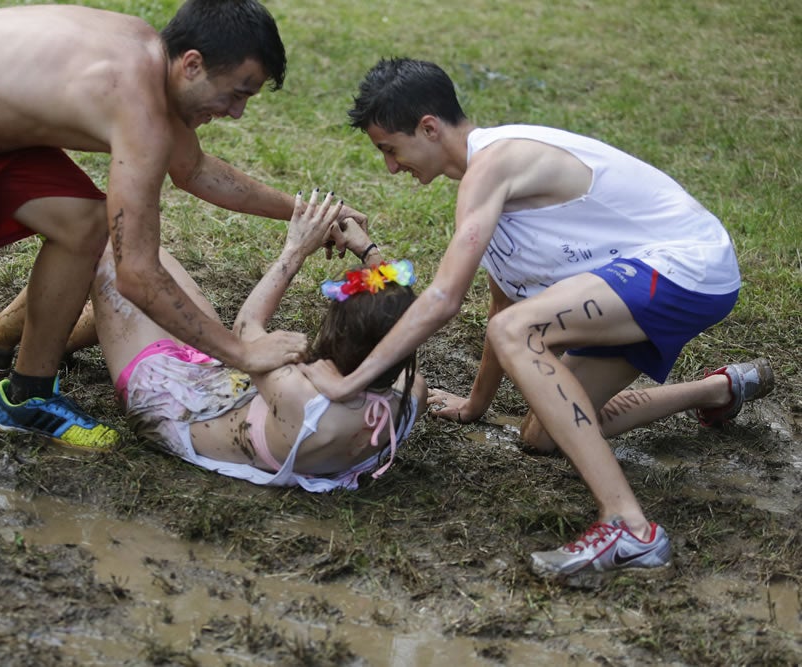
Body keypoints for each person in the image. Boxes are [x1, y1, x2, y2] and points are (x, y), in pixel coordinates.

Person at [0, 1, 367, 498]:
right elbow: (138, 276)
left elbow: (192, 169)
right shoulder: (137, 102)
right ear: (192, 64)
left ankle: (27, 395)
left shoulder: (156, 67)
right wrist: (241, 353)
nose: (236, 111)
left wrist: (309, 214)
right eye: (238, 92)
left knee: (83, 223)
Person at [301, 57, 775, 580]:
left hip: (688, 265)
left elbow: (443, 300)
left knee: (516, 332)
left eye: (390, 149)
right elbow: (501, 304)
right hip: (641, 283)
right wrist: (475, 405)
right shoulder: (490, 198)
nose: (390, 166)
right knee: (541, 436)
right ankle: (718, 390)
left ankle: (629, 527)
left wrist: (356, 381)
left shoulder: (494, 165)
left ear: (429, 128)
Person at [0, 190, 427, 490]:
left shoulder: (297, 391)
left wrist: (295, 249)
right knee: (138, 288)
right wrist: (367, 250)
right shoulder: (409, 394)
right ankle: (16, 336)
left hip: (165, 398)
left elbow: (247, 329)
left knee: (114, 247)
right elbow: (403, 318)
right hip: (218, 381)